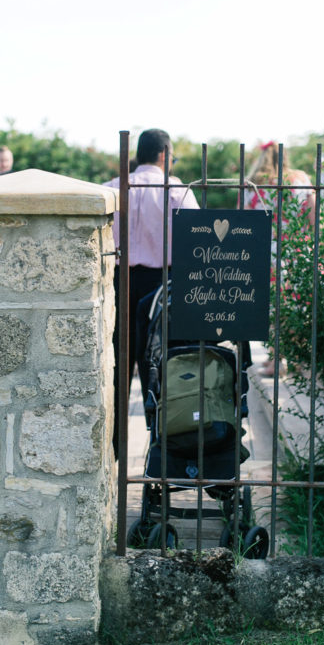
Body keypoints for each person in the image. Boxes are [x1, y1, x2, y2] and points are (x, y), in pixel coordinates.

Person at [105, 129, 199, 456]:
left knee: (117, 364)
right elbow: (195, 240)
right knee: (162, 365)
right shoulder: (177, 190)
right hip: (163, 284)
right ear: (163, 154)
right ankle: (162, 445)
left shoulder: (113, 188)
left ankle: (113, 447)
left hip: (118, 281)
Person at [244, 142, 314, 377]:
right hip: (297, 250)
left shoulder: (254, 184)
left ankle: (277, 359)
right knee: (296, 305)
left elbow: (245, 222)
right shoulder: (300, 179)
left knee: (274, 307)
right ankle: (297, 359)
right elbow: (314, 218)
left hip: (267, 251)